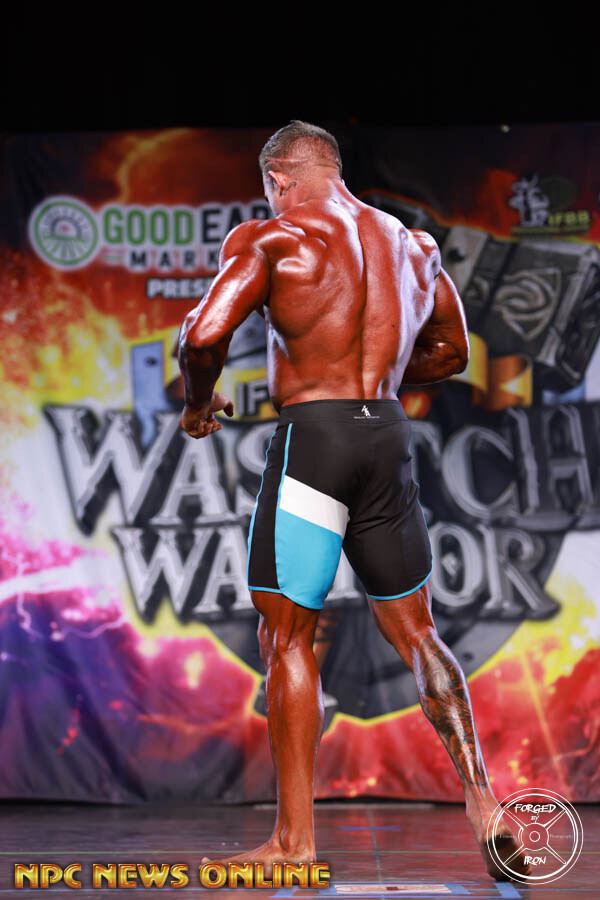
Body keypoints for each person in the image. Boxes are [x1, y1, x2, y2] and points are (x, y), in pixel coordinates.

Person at [177, 120, 531, 882]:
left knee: (287, 638)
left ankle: (294, 843)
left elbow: (201, 337)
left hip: (317, 439)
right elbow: (453, 351)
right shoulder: (411, 245)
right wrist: (380, 378)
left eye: (270, 189)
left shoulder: (272, 239)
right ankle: (486, 803)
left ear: (278, 179)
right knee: (420, 633)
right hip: (387, 436)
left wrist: (199, 404)